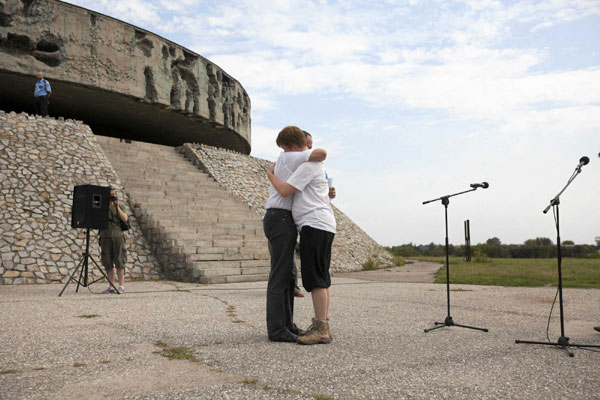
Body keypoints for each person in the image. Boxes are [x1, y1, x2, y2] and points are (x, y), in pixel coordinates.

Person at [268, 142, 336, 345]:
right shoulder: (314, 166)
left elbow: (284, 190)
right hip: (320, 223)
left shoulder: (308, 165)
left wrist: (270, 175)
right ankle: (321, 325)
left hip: (314, 223)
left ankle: (321, 328)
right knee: (320, 277)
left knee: (315, 278)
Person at [100, 188, 128, 293]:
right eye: (110, 195)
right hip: (105, 236)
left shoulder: (121, 206)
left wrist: (117, 207)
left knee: (120, 261)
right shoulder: (102, 207)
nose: (112, 197)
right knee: (107, 261)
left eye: (113, 195)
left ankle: (121, 286)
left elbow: (125, 219)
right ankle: (111, 286)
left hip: (118, 236)